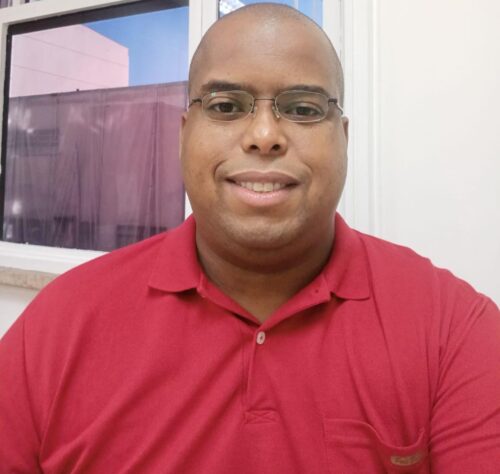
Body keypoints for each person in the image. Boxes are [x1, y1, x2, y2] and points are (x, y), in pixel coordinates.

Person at [1, 3, 499, 473]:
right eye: (225, 105)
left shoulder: (453, 329)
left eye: (303, 109)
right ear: (183, 134)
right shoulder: (58, 326)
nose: (264, 134)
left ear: (343, 138)